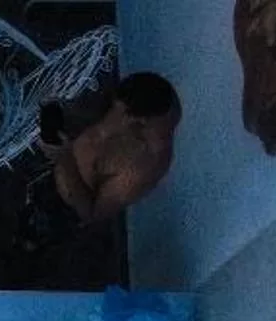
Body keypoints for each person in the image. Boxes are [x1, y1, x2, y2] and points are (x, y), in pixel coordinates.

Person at [36, 72, 182, 228]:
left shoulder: (142, 167)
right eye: (114, 105)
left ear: (139, 121)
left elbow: (91, 214)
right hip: (60, 161)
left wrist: (65, 160)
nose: (113, 109)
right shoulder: (135, 99)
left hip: (68, 205)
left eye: (121, 111)